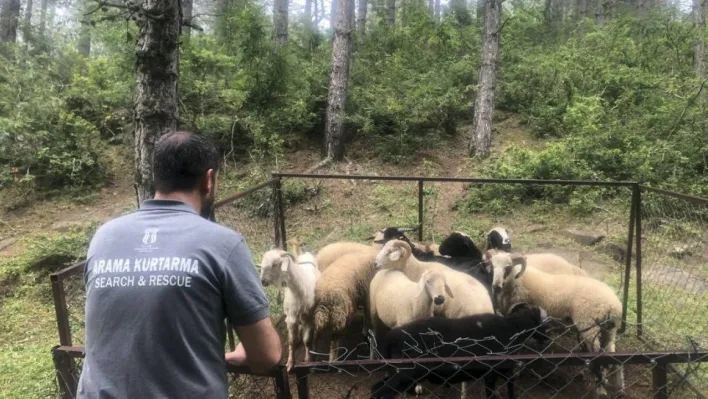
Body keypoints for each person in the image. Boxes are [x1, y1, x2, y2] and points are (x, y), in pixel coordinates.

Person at [77, 131, 282, 399]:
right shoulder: (222, 243)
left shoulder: (104, 237)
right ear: (208, 180)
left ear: (156, 177)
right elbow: (266, 357)